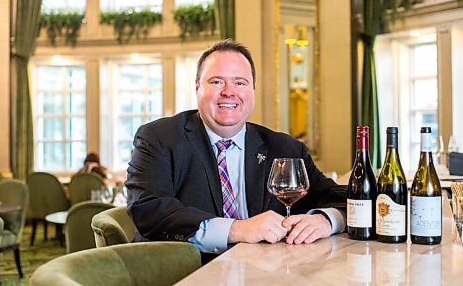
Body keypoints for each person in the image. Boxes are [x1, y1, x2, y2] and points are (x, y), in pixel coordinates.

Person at [126, 40, 347, 262]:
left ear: (252, 91)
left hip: (266, 274)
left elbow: (344, 198)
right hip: (185, 272)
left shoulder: (284, 147)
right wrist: (238, 229)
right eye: (216, 81)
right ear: (197, 87)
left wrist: (327, 220)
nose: (229, 92)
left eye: (240, 83)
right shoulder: (159, 138)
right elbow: (148, 209)